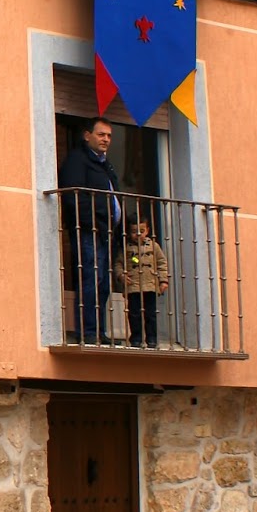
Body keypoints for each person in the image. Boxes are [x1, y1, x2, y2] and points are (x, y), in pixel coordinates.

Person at [58, 116, 121, 344]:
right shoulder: (78, 160)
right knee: (90, 281)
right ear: (87, 135)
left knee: (103, 284)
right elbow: (74, 196)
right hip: (90, 232)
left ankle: (99, 331)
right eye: (101, 134)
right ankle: (89, 332)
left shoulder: (104, 163)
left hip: (106, 233)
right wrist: (92, 223)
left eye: (109, 136)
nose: (106, 139)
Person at [120, 219, 169, 347]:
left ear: (147, 231)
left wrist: (163, 280)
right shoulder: (126, 247)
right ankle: (136, 337)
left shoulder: (154, 246)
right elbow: (118, 264)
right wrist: (121, 275)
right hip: (133, 285)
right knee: (134, 313)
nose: (138, 234)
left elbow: (162, 263)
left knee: (151, 314)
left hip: (150, 284)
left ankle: (152, 338)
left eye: (141, 231)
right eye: (134, 232)